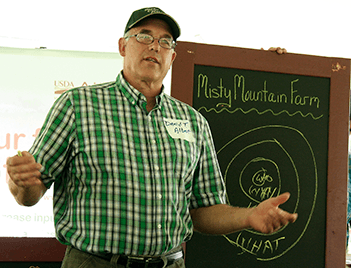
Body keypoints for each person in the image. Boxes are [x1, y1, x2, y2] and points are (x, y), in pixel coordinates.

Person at [6, 7, 297, 268]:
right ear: (123, 46)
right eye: (144, 36)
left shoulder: (193, 122)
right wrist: (20, 182)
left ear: (173, 55)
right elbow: (29, 194)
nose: (155, 47)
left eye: (165, 41)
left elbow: (203, 211)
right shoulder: (77, 105)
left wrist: (247, 217)